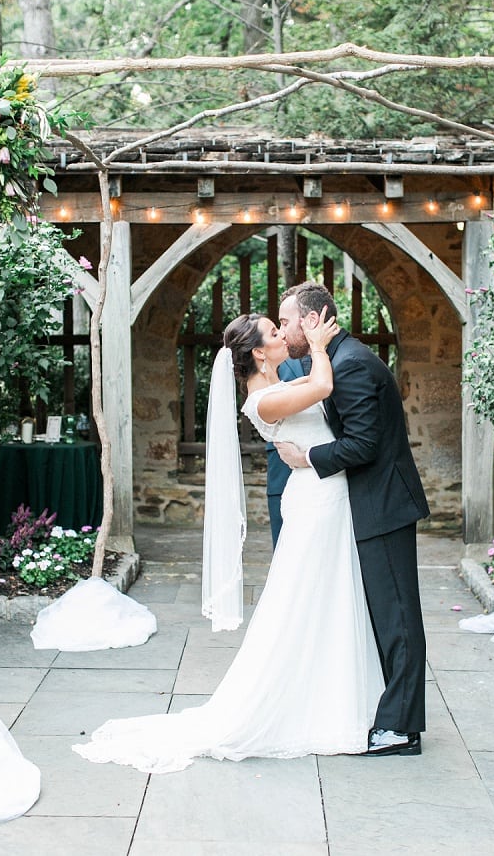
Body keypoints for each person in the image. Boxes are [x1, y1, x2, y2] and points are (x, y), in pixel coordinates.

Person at [73, 308, 384, 774]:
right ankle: (311, 705)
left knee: (328, 597)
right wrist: (320, 346)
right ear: (260, 352)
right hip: (316, 501)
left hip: (324, 493)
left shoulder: (278, 386)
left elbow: (322, 390)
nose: (284, 336)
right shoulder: (260, 402)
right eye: (276, 333)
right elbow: (321, 387)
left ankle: (333, 695)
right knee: (307, 597)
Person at [277, 282, 429, 757]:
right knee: (385, 617)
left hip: (383, 507)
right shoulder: (336, 360)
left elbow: (363, 445)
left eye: (287, 321)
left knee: (398, 618)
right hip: (368, 505)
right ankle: (392, 715)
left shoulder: (354, 365)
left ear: (313, 318)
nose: (284, 330)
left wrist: (307, 458)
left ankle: (401, 729)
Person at [265, 356, 306, 547]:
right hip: (283, 462)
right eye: (274, 332)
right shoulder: (269, 369)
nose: (281, 334)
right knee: (286, 542)